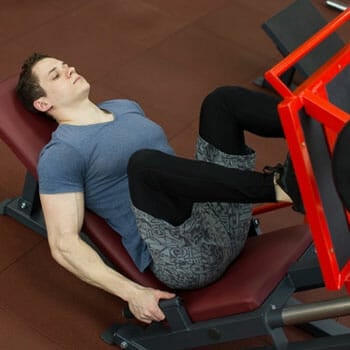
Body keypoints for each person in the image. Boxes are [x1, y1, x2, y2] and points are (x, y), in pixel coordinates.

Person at [15, 53, 303, 324]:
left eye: (65, 65)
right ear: (43, 103)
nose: (70, 69)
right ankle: (282, 186)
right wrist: (132, 293)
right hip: (188, 256)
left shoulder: (124, 106)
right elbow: (63, 244)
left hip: (225, 218)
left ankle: (318, 127)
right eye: (56, 75)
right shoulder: (62, 153)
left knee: (221, 101)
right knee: (145, 166)